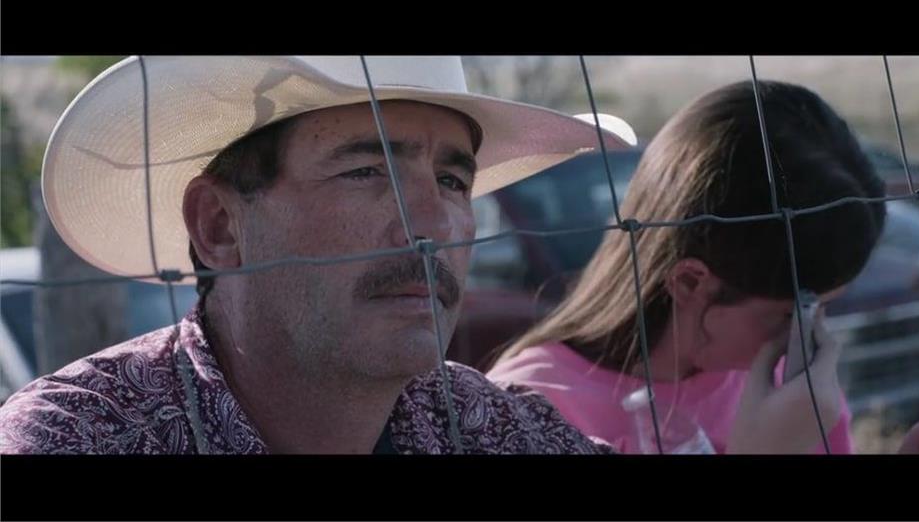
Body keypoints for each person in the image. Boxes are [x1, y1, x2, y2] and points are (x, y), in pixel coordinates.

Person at [0, 56, 633, 454]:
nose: (434, 224)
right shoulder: (80, 438)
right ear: (219, 226)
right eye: (366, 172)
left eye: (452, 181)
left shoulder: (490, 428)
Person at [489, 80, 895, 454]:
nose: (814, 338)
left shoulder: (787, 389)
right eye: (792, 314)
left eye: (820, 309)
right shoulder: (529, 411)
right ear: (689, 282)